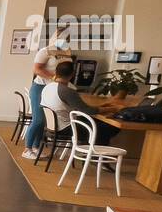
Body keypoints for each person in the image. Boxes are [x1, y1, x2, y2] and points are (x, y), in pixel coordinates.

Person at [21, 23, 75, 159]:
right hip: (40, 87)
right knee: (38, 119)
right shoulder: (45, 51)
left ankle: (36, 147)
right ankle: (27, 149)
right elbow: (36, 69)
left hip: (54, 90)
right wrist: (54, 78)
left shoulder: (67, 54)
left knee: (45, 120)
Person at [40, 60, 123, 147]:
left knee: (98, 123)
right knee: (108, 128)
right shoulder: (67, 91)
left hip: (53, 126)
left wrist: (101, 107)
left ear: (56, 72)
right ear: (72, 74)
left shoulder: (47, 87)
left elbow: (80, 107)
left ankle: (90, 155)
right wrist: (113, 109)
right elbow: (88, 111)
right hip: (66, 128)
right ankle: (94, 156)